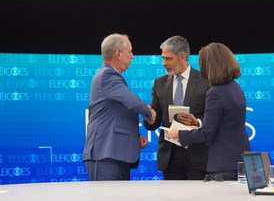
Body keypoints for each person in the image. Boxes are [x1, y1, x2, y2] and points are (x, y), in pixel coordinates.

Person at [168, 42, 251, 180]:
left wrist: (179, 135)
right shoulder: (236, 88)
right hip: (241, 159)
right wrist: (199, 123)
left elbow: (207, 133)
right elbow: (225, 123)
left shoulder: (215, 93)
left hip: (224, 164)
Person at [83, 34, 156, 181]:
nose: (133, 56)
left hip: (114, 154)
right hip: (105, 154)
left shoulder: (110, 76)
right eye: (129, 51)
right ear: (118, 53)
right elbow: (132, 101)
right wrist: (149, 112)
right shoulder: (108, 75)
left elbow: (116, 113)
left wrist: (134, 136)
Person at [143, 36, 210, 180]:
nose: (163, 63)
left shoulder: (206, 80)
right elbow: (155, 121)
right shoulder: (159, 83)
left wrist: (196, 122)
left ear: (182, 57)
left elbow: (212, 118)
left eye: (168, 59)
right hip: (170, 156)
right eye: (163, 58)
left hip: (198, 153)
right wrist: (149, 117)